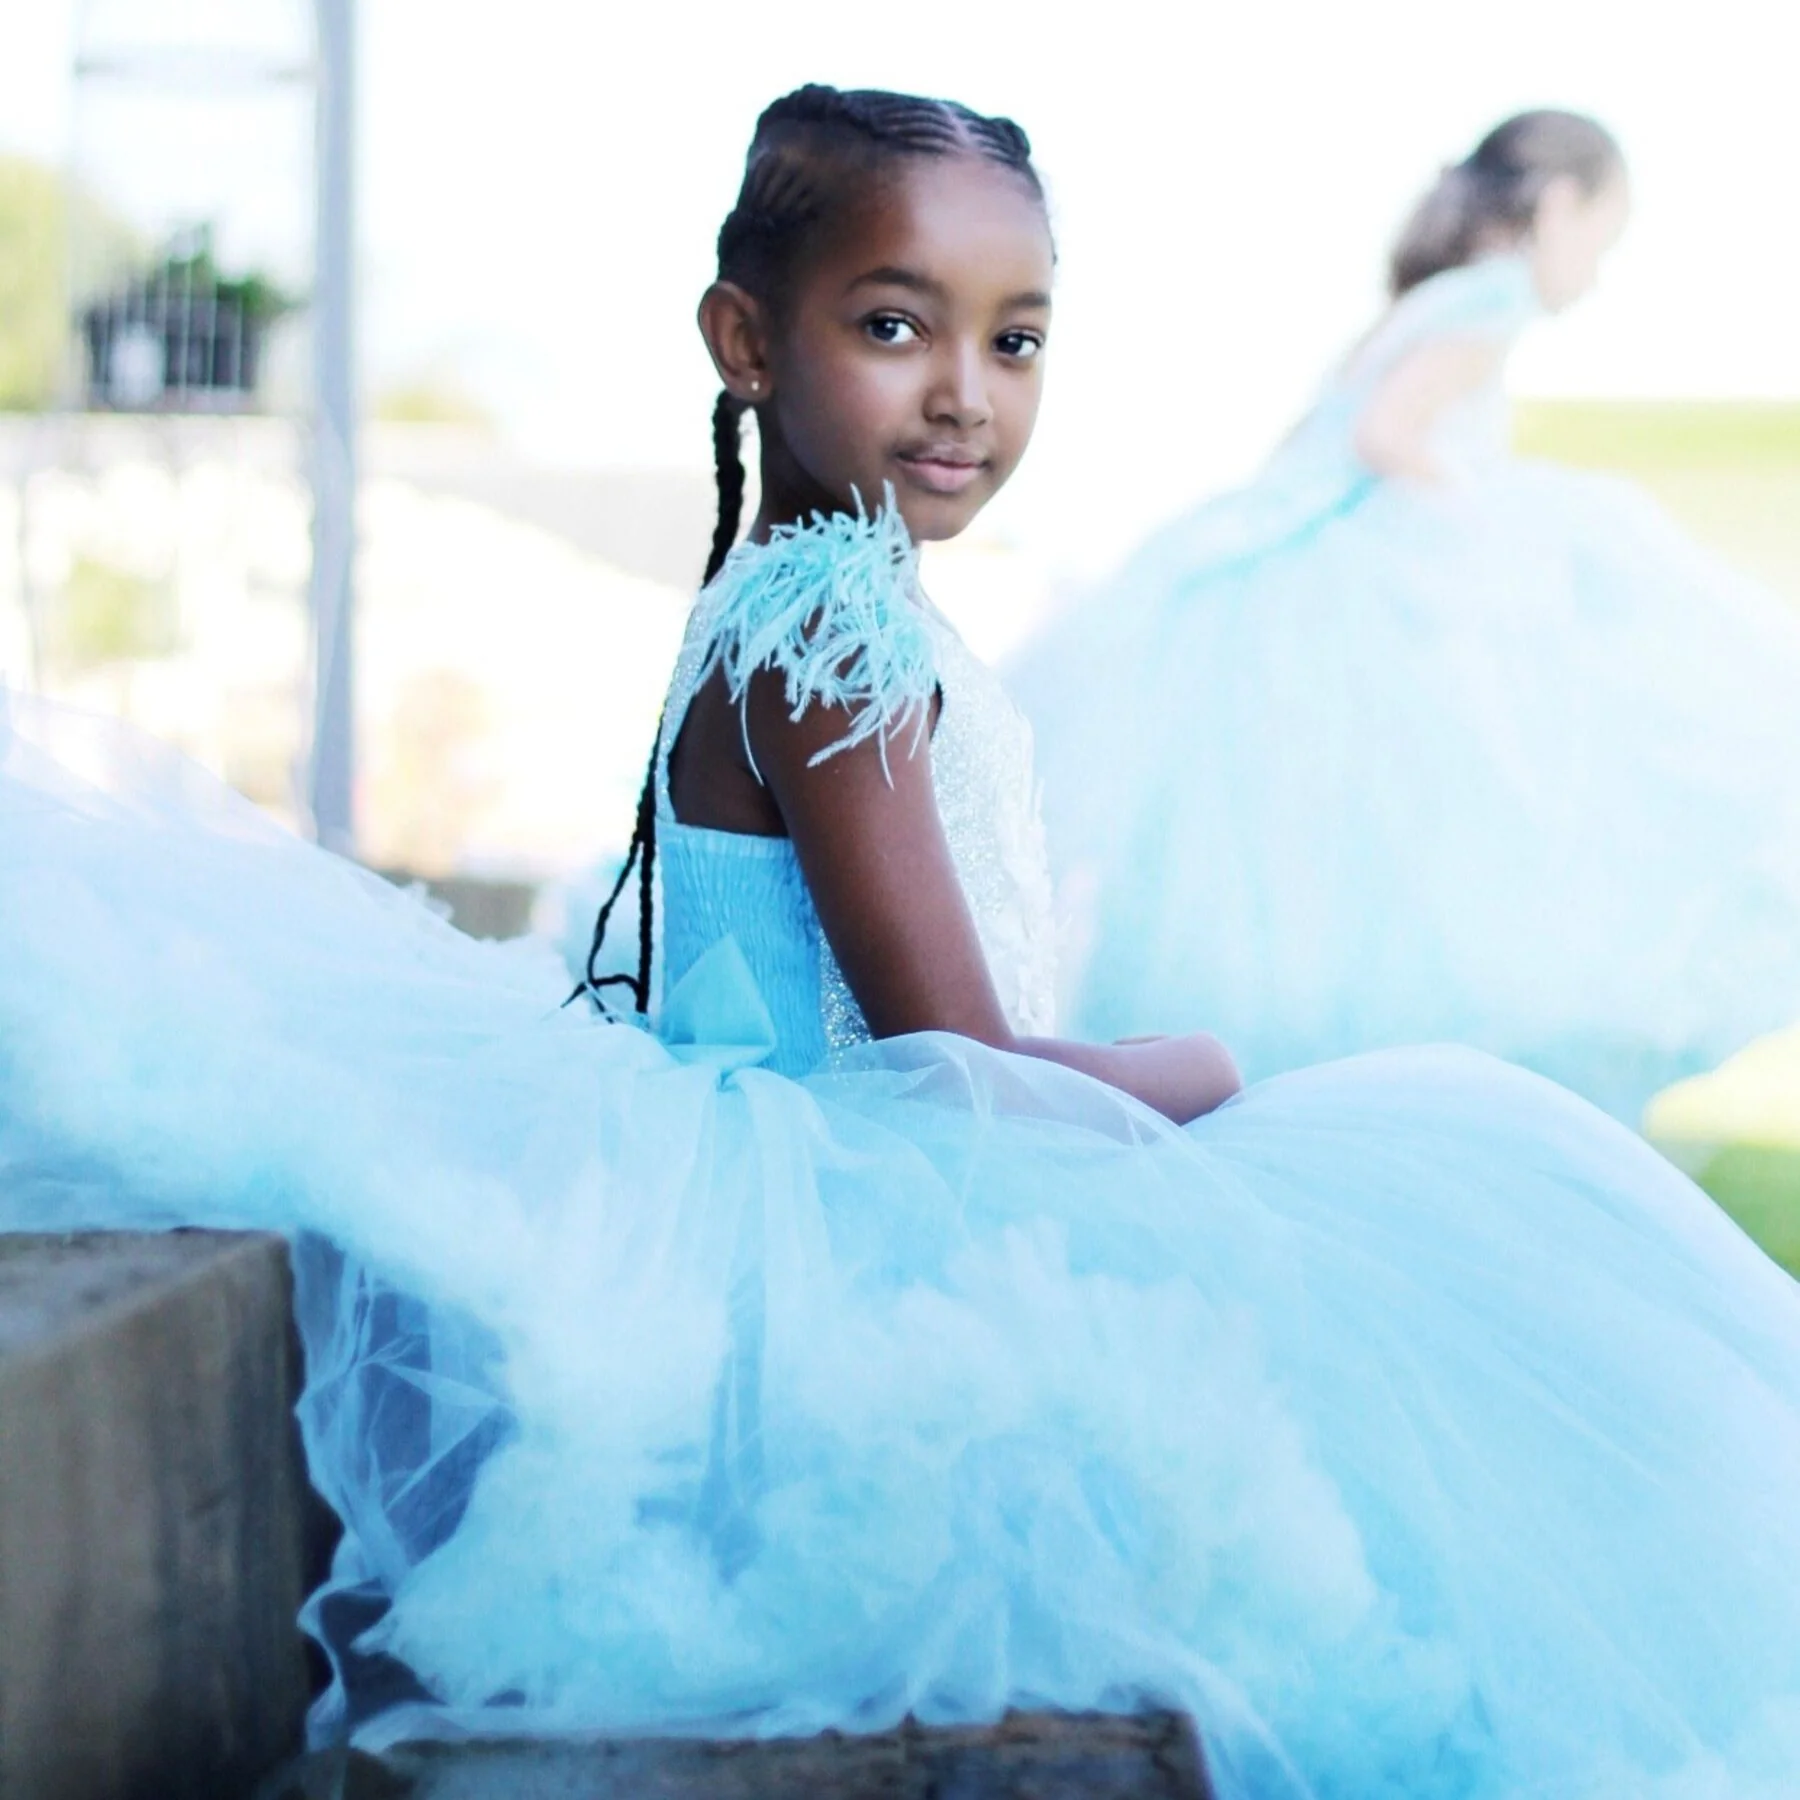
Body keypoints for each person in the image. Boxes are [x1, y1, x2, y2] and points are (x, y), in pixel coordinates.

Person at [5, 86, 1800, 1797]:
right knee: (1421, 1202)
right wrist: (1209, 1066)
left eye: (1014, 340)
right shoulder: (832, 633)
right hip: (813, 1216)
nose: (965, 397)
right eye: (894, 325)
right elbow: (965, 1070)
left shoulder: (809, 590)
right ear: (747, 340)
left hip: (801, 1140)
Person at [1011, 110, 1800, 1122]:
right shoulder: (1492, 298)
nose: (1595, 274)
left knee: (1298, 859)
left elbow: (1323, 426)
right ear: (1556, 207)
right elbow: (1388, 433)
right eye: (1601, 241)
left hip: (1287, 571)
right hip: (1364, 575)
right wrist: (1477, 510)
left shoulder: (1425, 299)